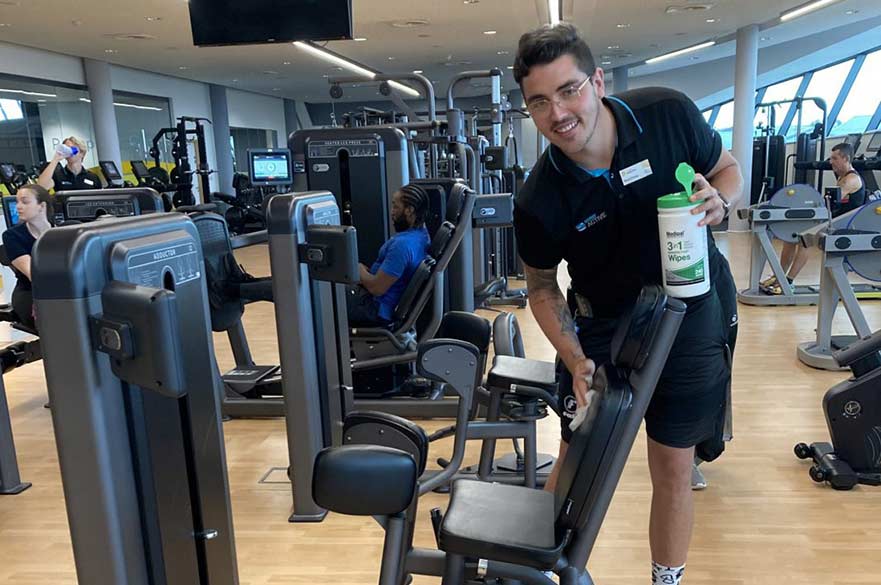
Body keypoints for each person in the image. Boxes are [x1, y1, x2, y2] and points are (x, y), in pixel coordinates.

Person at [511, 23, 742, 585]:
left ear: (597, 80)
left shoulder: (667, 114)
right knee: (578, 452)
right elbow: (541, 286)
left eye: (568, 90)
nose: (558, 113)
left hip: (689, 312)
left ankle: (667, 579)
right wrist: (573, 360)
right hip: (603, 323)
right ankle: (537, 574)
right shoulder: (540, 198)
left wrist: (720, 199)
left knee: (673, 463)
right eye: (539, 102)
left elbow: (727, 170)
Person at [761, 142, 867, 295]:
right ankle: (779, 277)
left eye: (834, 158)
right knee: (791, 236)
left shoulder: (851, 180)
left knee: (805, 239)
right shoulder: (843, 177)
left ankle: (789, 281)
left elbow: (829, 204)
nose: (831, 162)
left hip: (845, 225)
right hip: (834, 220)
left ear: (846, 158)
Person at [346, 184, 430, 326]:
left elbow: (376, 288)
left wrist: (359, 270)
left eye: (396, 207)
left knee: (323, 299)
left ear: (409, 210)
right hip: (374, 301)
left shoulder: (402, 246)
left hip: (373, 309)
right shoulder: (422, 236)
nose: (392, 212)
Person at [2, 184, 53, 330]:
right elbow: (33, 274)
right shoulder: (12, 236)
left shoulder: (63, 231)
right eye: (17, 202)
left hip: (65, 289)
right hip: (30, 293)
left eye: (25, 202)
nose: (18, 206)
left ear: (41, 206)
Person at [36, 136, 101, 192]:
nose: (69, 151)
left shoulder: (93, 177)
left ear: (82, 153)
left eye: (72, 148)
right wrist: (56, 159)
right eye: (66, 148)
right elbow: (41, 188)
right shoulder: (58, 175)